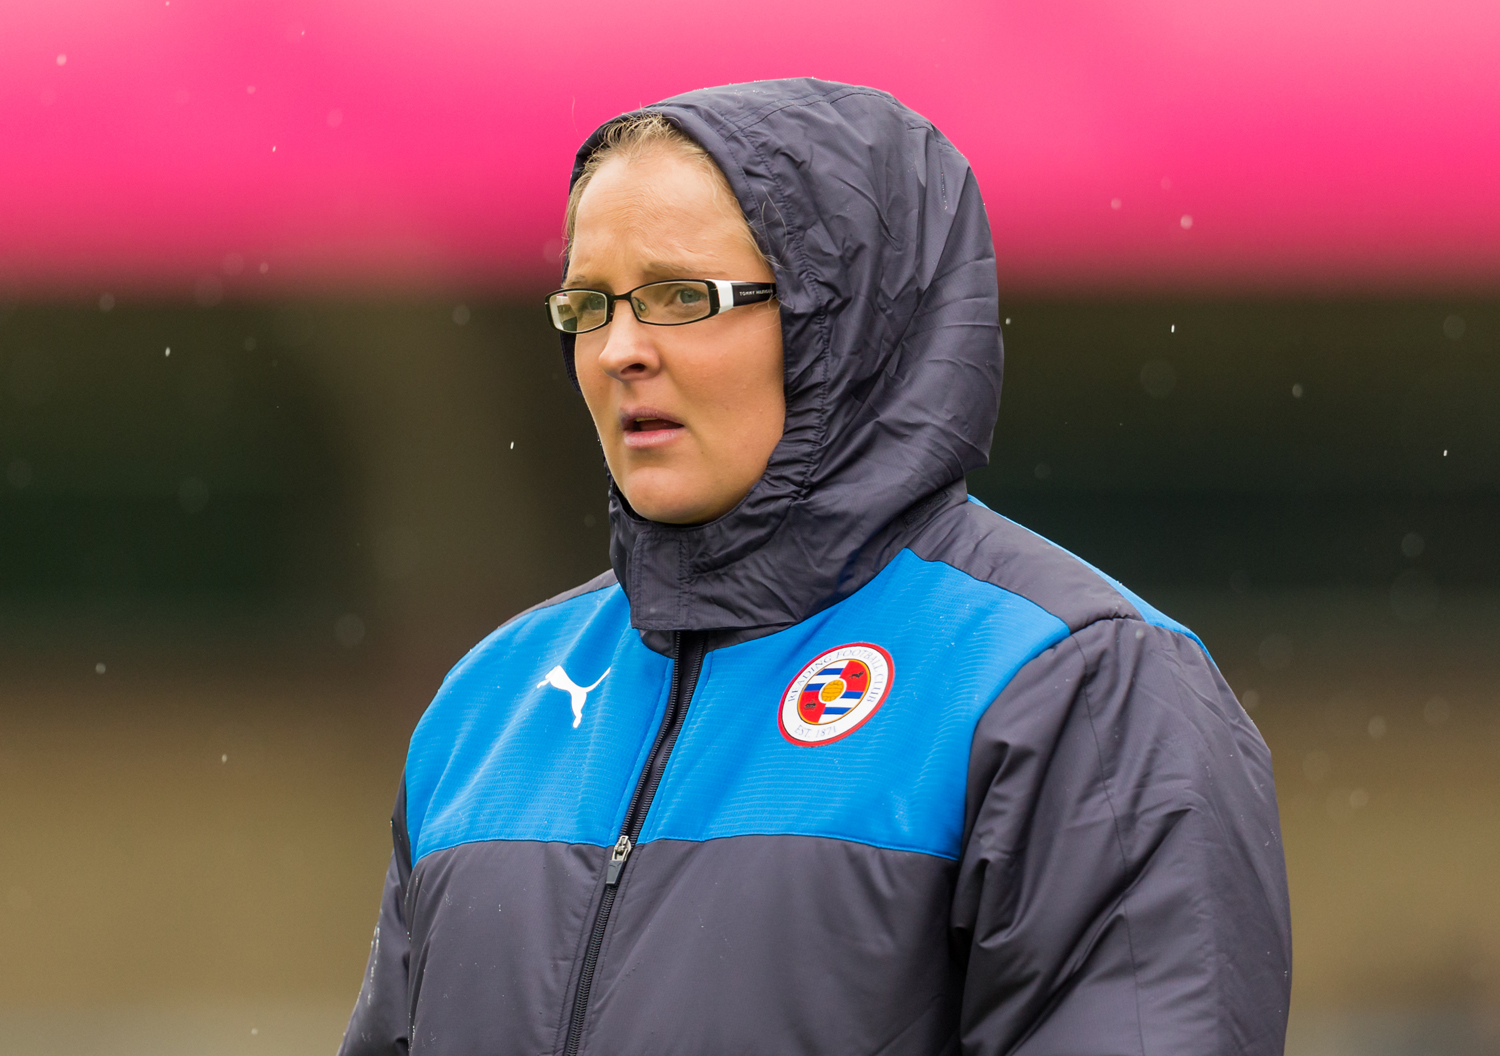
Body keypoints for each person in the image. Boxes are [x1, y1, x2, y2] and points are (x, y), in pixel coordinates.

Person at [340, 78, 1292, 1056]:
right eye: (589, 305)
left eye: (679, 297)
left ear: (844, 322)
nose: (620, 349)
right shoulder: (491, 705)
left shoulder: (1076, 689)